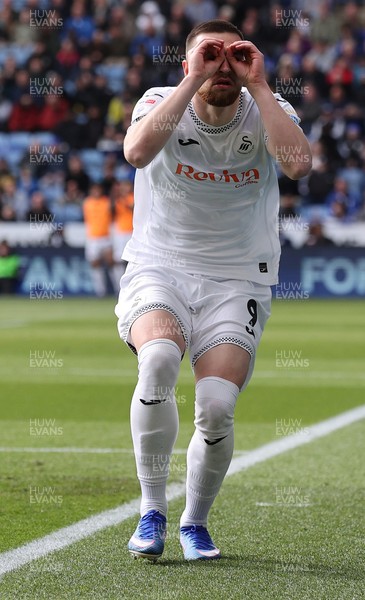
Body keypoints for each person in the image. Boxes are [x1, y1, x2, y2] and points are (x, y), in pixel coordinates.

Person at [115, 19, 312, 562]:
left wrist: (262, 87)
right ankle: (151, 510)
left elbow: (298, 166)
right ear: (186, 64)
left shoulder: (267, 109)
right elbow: (135, 152)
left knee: (217, 405)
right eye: (208, 58)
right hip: (162, 265)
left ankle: (193, 522)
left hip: (238, 275)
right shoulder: (158, 99)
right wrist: (191, 81)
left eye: (233, 59)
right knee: (156, 360)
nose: (221, 69)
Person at [83, 182, 116, 297]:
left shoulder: (106, 202)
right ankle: (100, 291)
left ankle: (119, 290)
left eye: (98, 190)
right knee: (95, 264)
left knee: (111, 262)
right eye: (94, 190)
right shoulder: (87, 203)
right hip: (92, 238)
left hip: (106, 236)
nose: (96, 192)